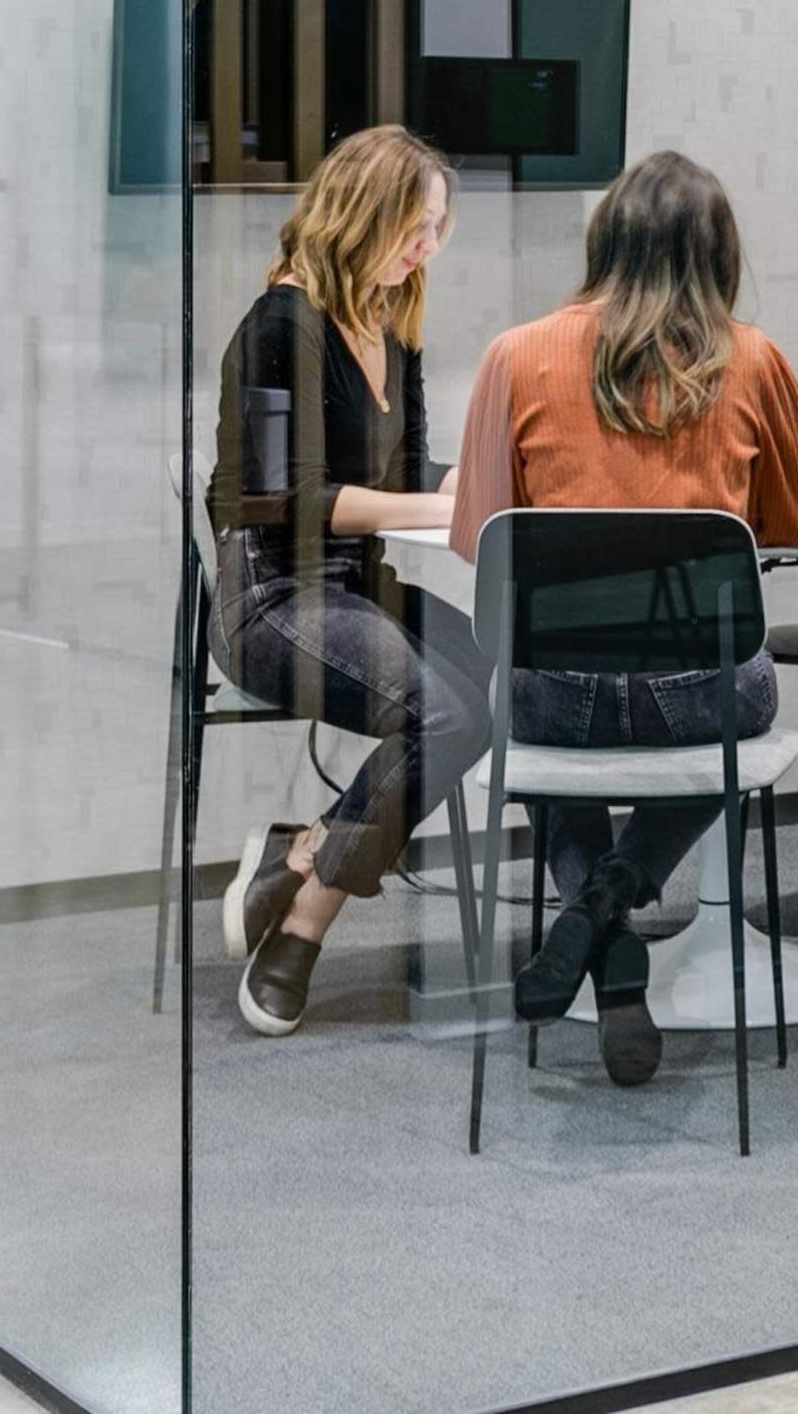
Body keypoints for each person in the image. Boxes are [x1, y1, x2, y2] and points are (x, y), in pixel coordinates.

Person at [447, 150, 798, 1089]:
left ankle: (597, 931)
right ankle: (613, 908)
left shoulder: (515, 355)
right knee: (743, 710)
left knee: (531, 690)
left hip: (555, 699)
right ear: (719, 253)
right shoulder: (753, 358)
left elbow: (478, 540)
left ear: (604, 239)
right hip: (698, 697)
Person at [206, 125, 478, 1039]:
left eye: (437, 229)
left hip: (355, 588)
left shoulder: (390, 325)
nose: (425, 248)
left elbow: (410, 470)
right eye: (414, 226)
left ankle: (305, 853)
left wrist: (482, 485)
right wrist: (428, 511)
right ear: (361, 215)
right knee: (444, 713)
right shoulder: (279, 326)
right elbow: (269, 499)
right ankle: (309, 920)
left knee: (498, 687)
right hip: (276, 599)